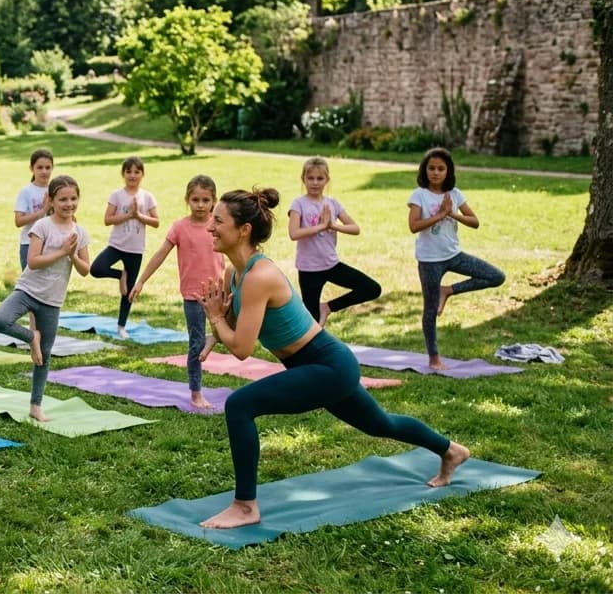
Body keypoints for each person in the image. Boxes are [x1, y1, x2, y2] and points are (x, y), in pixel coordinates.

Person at [197, 187, 470, 529]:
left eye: (218, 220)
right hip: (317, 364)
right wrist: (218, 326)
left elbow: (241, 349)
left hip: (326, 365)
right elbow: (239, 325)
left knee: (240, 405)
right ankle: (451, 451)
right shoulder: (234, 274)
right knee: (380, 424)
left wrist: (216, 319)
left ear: (244, 230)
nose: (210, 226)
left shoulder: (258, 277)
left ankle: (245, 506)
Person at [0, 175, 91, 422]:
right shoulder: (43, 226)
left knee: (43, 356)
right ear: (52, 200)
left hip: (52, 299)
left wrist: (72, 255)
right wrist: (61, 252)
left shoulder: (80, 232)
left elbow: (85, 269)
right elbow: (33, 262)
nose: (69, 204)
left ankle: (36, 405)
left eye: (73, 198)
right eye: (63, 199)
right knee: (0, 321)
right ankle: (30, 337)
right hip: (28, 290)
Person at [130, 175, 225, 408]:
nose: (200, 205)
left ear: (214, 201)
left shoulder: (218, 225)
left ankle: (214, 338)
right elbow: (160, 254)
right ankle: (196, 392)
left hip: (219, 292)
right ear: (187, 200)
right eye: (195, 199)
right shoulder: (180, 228)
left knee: (233, 329)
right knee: (196, 343)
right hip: (193, 295)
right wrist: (141, 281)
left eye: (205, 200)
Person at [407, 147, 505, 370]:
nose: (436, 173)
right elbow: (413, 226)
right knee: (430, 309)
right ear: (425, 170)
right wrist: (440, 215)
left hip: (454, 255)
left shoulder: (455, 194)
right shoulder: (418, 195)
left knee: (495, 276)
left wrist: (452, 213)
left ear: (448, 171)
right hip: (429, 260)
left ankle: (448, 290)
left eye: (441, 168)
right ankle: (434, 359)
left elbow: (474, 221)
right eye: (431, 168)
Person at [288, 157, 380, 327]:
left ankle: (328, 307)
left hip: (331, 265)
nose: (315, 183)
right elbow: (293, 233)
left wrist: (333, 226)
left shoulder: (332, 204)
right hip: (309, 269)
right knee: (312, 323)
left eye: (320, 178)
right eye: (311, 178)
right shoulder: (298, 204)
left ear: (327, 180)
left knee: (372, 288)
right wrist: (321, 227)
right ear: (303, 179)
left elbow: (355, 228)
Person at [89, 156, 158, 339]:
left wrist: (139, 216)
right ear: (123, 174)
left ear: (142, 174)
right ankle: (121, 274)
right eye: (129, 171)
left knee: (128, 293)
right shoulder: (116, 195)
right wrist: (128, 215)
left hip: (135, 250)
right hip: (117, 245)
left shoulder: (147, 196)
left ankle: (121, 326)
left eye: (137, 172)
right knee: (96, 269)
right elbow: (107, 219)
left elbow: (156, 222)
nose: (132, 175)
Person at [13, 149, 55, 270]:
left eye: (48, 167)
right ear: (32, 168)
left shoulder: (55, 189)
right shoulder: (26, 191)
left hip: (51, 244)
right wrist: (43, 211)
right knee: (30, 284)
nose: (44, 171)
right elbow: (18, 221)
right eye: (40, 167)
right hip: (29, 243)